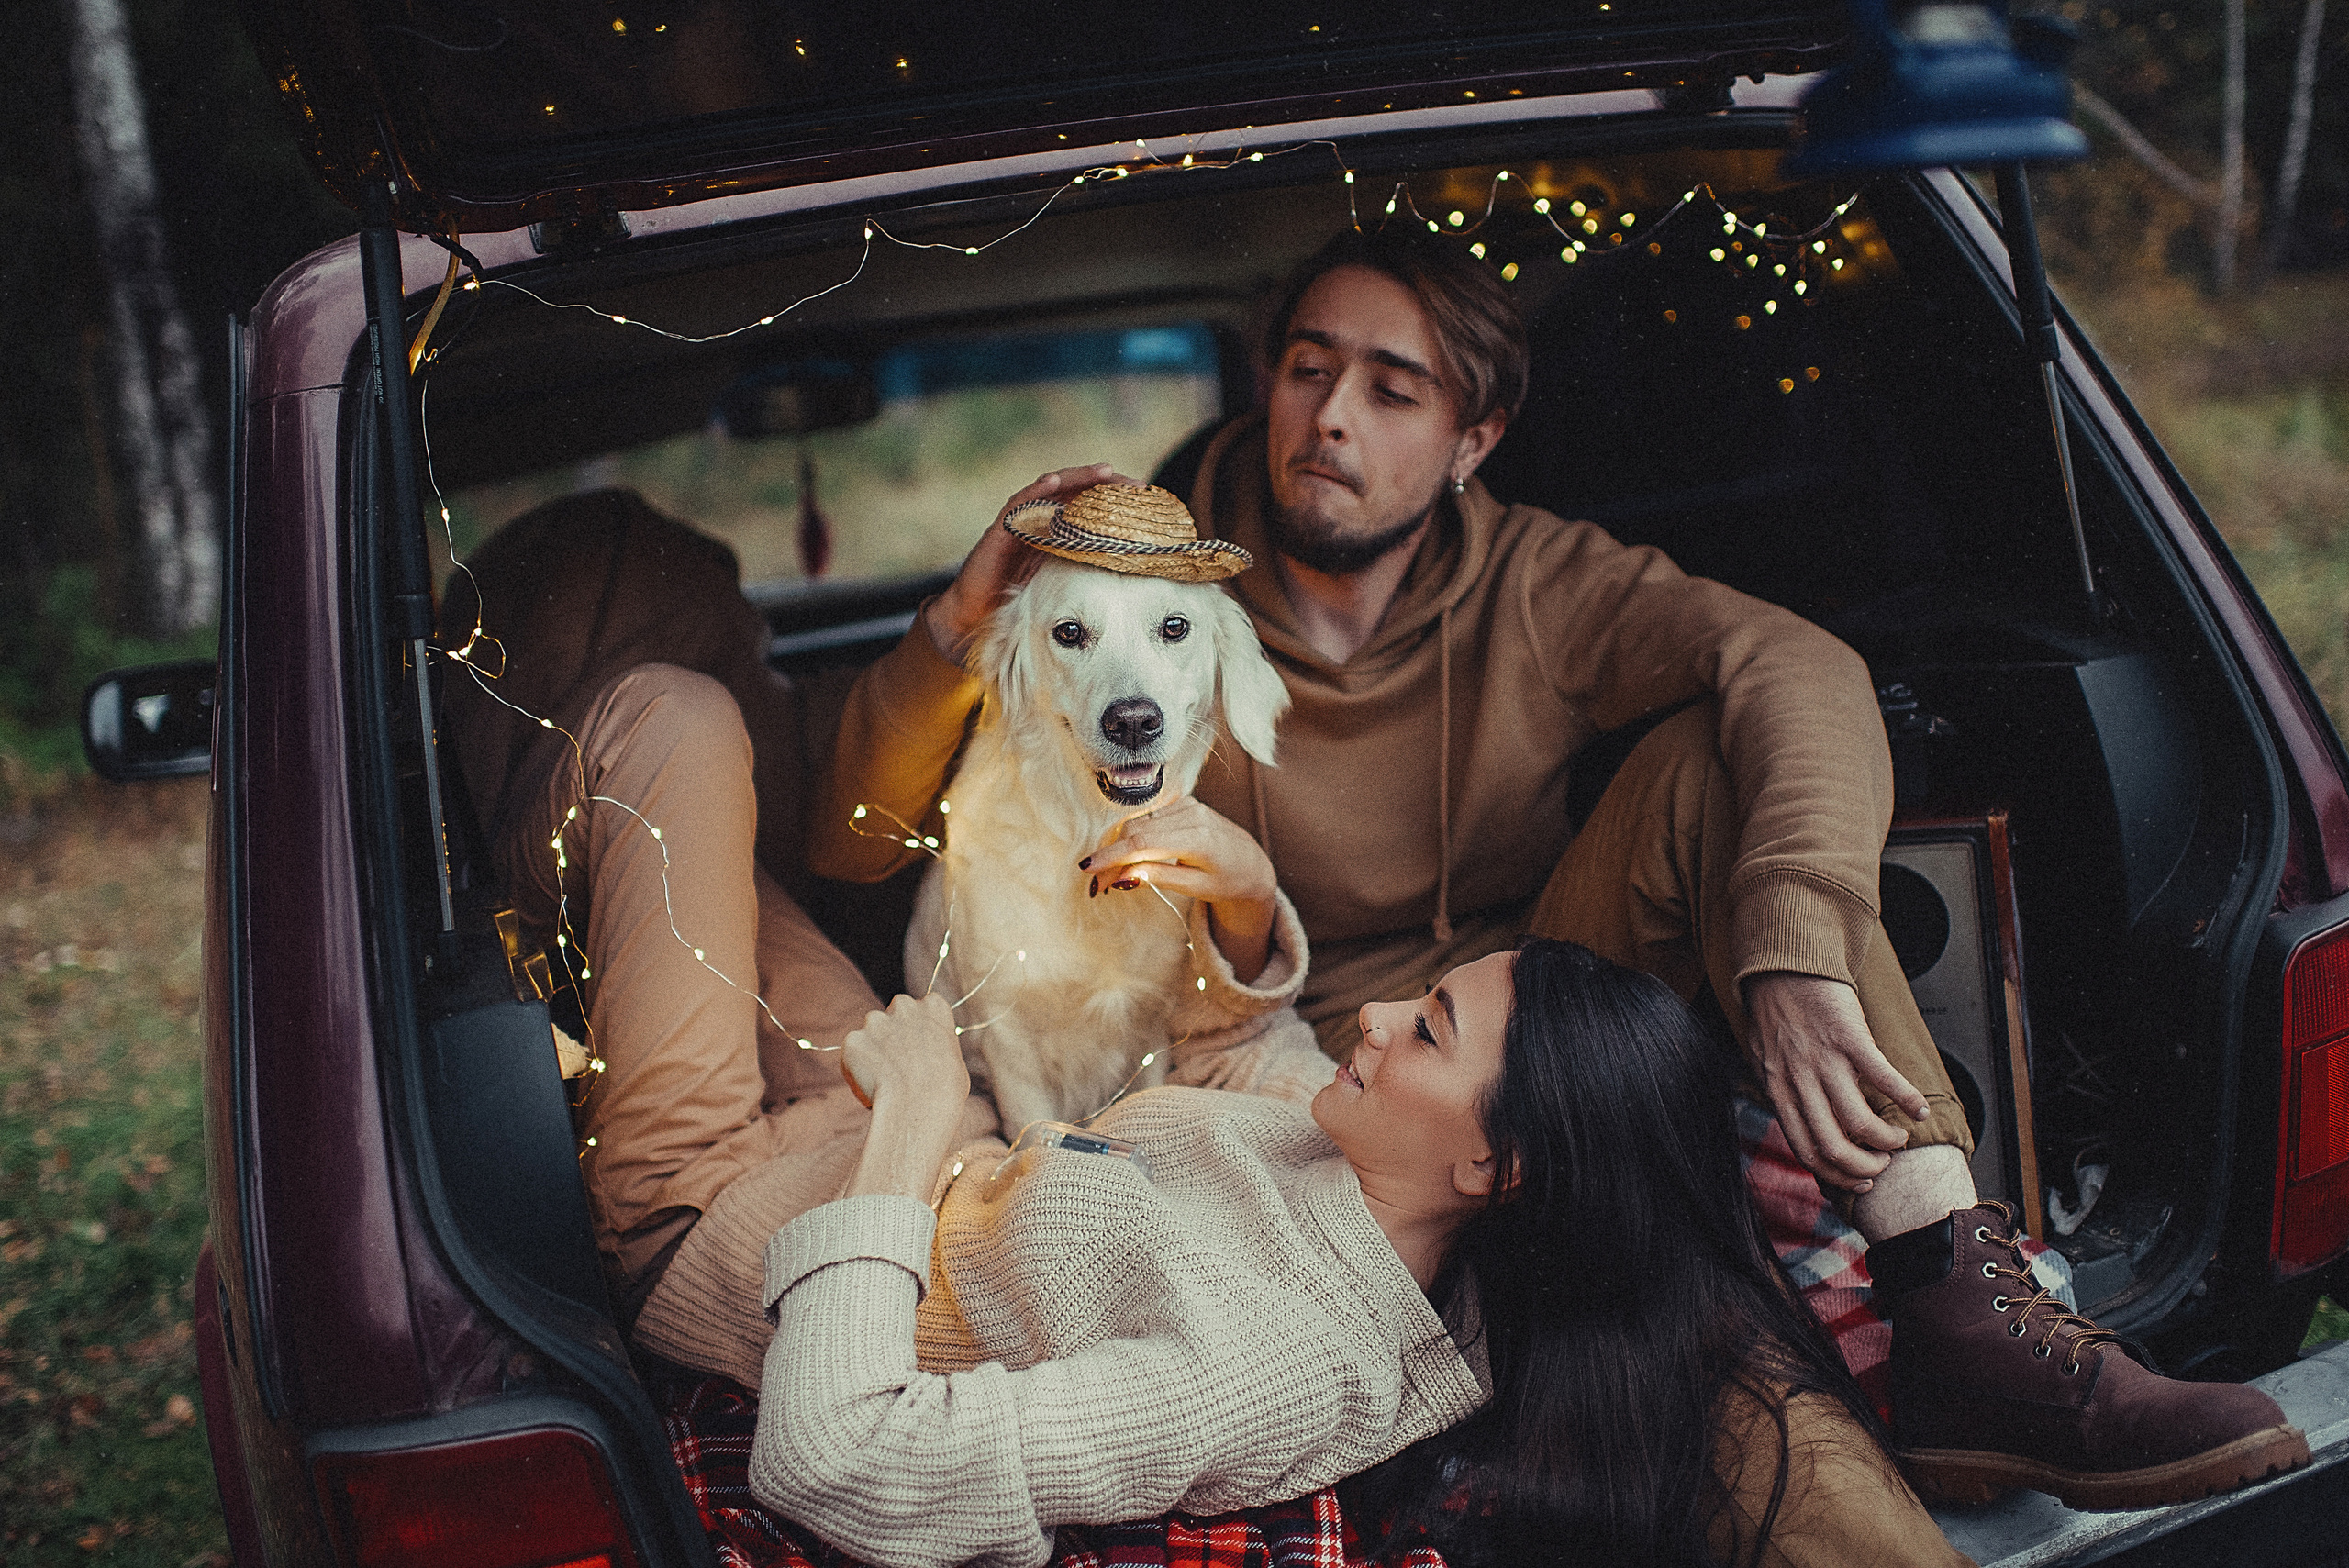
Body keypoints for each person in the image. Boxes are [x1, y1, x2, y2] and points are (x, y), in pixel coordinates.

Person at [810, 227, 2305, 1510]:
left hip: (1507, 1036)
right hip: (1297, 1082)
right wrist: (962, 614)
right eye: (1311, 366)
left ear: (1474, 441)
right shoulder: (1141, 587)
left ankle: (1956, 1295)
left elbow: (1798, 662)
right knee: (1709, 1355)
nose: (1331, 415)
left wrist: (1787, 940)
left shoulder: (1538, 579)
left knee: (1728, 759)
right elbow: (859, 843)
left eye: (1394, 390)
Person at [751, 936, 1970, 1568]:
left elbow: (835, 1456)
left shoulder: (1265, 1362)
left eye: (1429, 1028)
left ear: (1496, 1167)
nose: (1376, 1017)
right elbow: (1257, 1043)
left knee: (670, 724)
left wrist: (906, 1129)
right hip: (908, 1141)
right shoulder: (1353, 1152)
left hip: (739, 1220)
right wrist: (1238, 899)